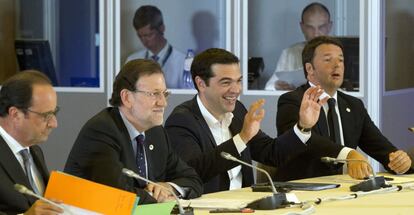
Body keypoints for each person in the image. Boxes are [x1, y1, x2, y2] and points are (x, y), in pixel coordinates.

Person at [164, 48, 330, 194]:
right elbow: (193, 173)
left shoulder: (238, 111)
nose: (236, 90)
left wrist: (303, 127)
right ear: (201, 83)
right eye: (226, 82)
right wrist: (242, 138)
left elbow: (272, 154)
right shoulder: (182, 121)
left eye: (238, 81)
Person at [64, 59, 202, 204]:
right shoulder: (102, 130)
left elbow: (192, 179)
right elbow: (118, 194)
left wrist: (168, 187)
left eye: (164, 94)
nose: (163, 103)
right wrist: (157, 197)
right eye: (154, 94)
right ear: (127, 97)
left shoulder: (156, 133)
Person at [276, 36, 413, 181]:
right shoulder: (292, 101)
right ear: (310, 68)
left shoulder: (353, 105)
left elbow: (379, 146)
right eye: (328, 59)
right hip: (302, 191)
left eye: (341, 60)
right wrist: (347, 154)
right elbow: (306, 142)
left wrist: (399, 161)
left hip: (345, 190)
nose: (337, 65)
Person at [0, 71, 63, 214]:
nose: (54, 123)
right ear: (15, 114)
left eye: (54, 112)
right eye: (46, 115)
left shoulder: (34, 150)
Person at [265, 2, 332, 91]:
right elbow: (269, 87)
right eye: (310, 27)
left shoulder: (341, 53)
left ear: (329, 26)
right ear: (302, 27)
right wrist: (278, 86)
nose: (316, 33)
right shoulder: (289, 53)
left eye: (321, 27)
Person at [125, 5, 186, 89]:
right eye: (140, 36)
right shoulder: (131, 61)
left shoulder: (183, 62)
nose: (144, 40)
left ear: (162, 29)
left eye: (149, 35)